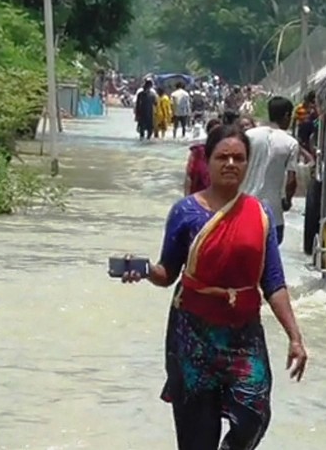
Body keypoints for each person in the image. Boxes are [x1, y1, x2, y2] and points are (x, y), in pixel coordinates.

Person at [121, 124, 308, 449]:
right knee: (197, 437)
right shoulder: (185, 212)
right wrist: (145, 270)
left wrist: (295, 337)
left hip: (244, 336)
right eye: (223, 157)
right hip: (192, 337)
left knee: (254, 415)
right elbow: (167, 273)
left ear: (247, 163)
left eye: (238, 158)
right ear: (208, 161)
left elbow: (273, 282)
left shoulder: (260, 215)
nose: (231, 164)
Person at [241, 97, 299, 245]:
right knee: (269, 253)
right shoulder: (291, 143)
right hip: (272, 213)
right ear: (286, 115)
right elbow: (291, 180)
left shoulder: (249, 135)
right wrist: (287, 201)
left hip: (244, 208)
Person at [184, 119, 222, 196]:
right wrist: (187, 198)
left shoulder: (227, 153)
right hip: (198, 196)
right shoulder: (197, 151)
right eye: (213, 132)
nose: (216, 136)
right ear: (208, 133)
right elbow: (189, 176)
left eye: (219, 133)